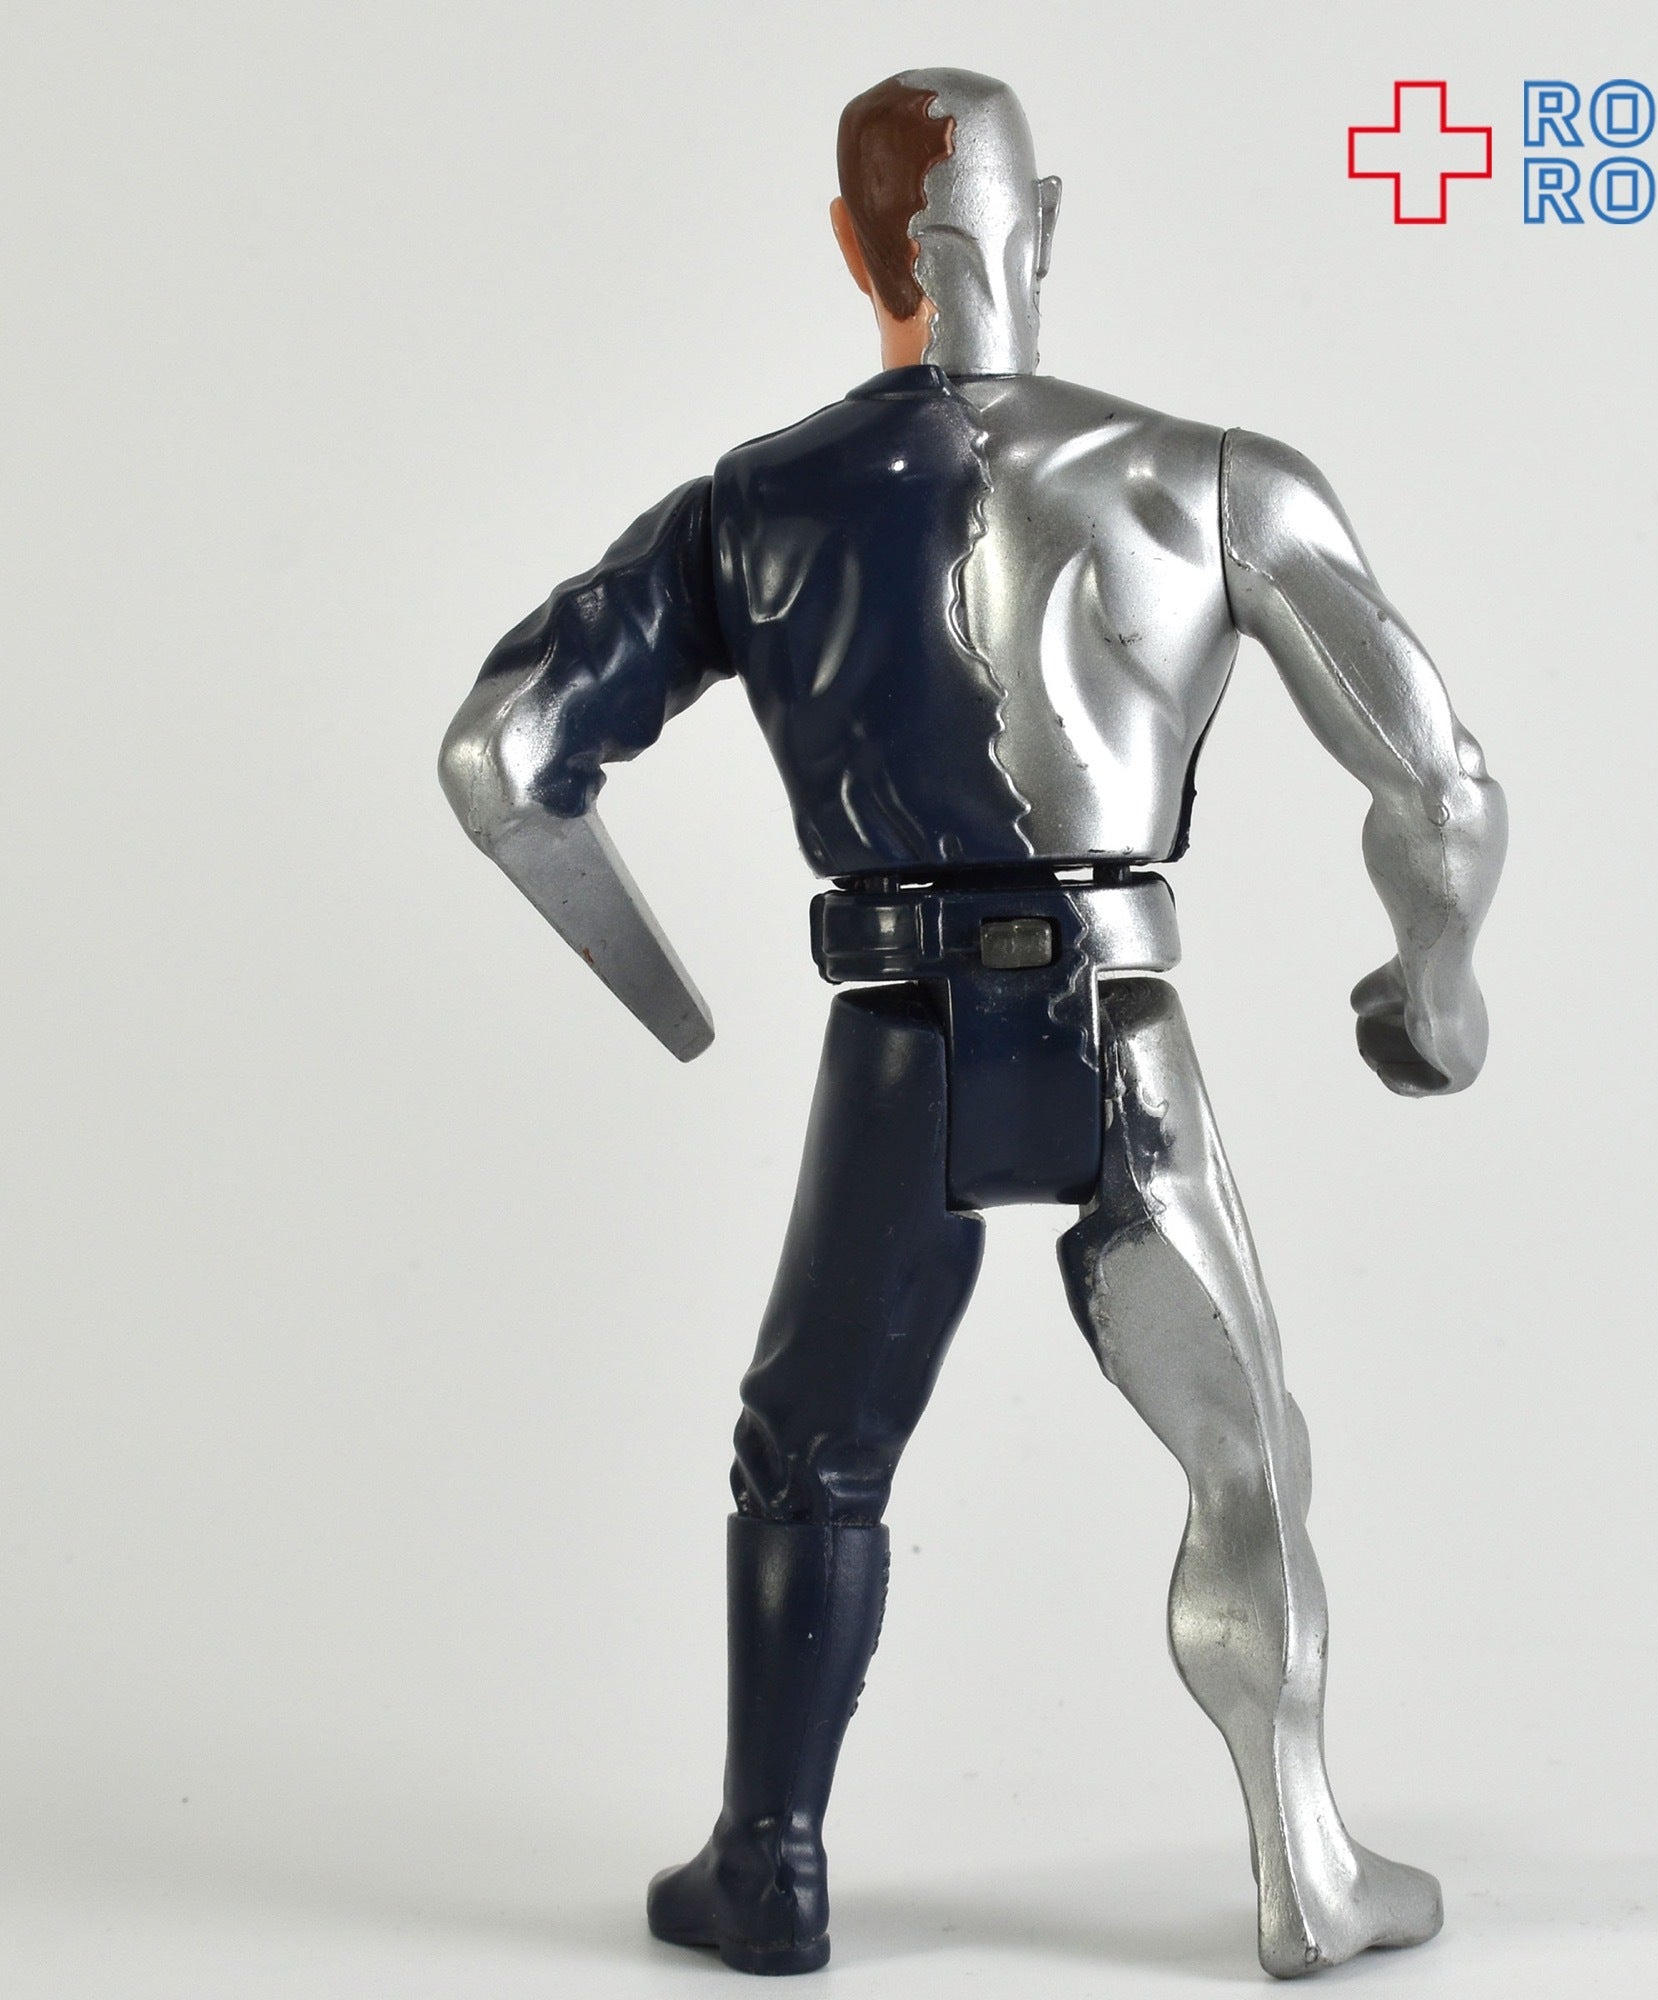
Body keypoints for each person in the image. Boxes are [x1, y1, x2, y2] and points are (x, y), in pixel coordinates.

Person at [440, 68, 1506, 1980]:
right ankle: (1307, 1869)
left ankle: (769, 1865)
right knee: (1243, 1452)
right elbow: (1440, 788)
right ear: (1046, 224)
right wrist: (1436, 992)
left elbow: (502, 756)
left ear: (856, 250)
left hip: (902, 1036)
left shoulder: (755, 507)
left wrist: (665, 996)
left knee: (810, 1455)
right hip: (1119, 1025)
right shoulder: (1215, 482)